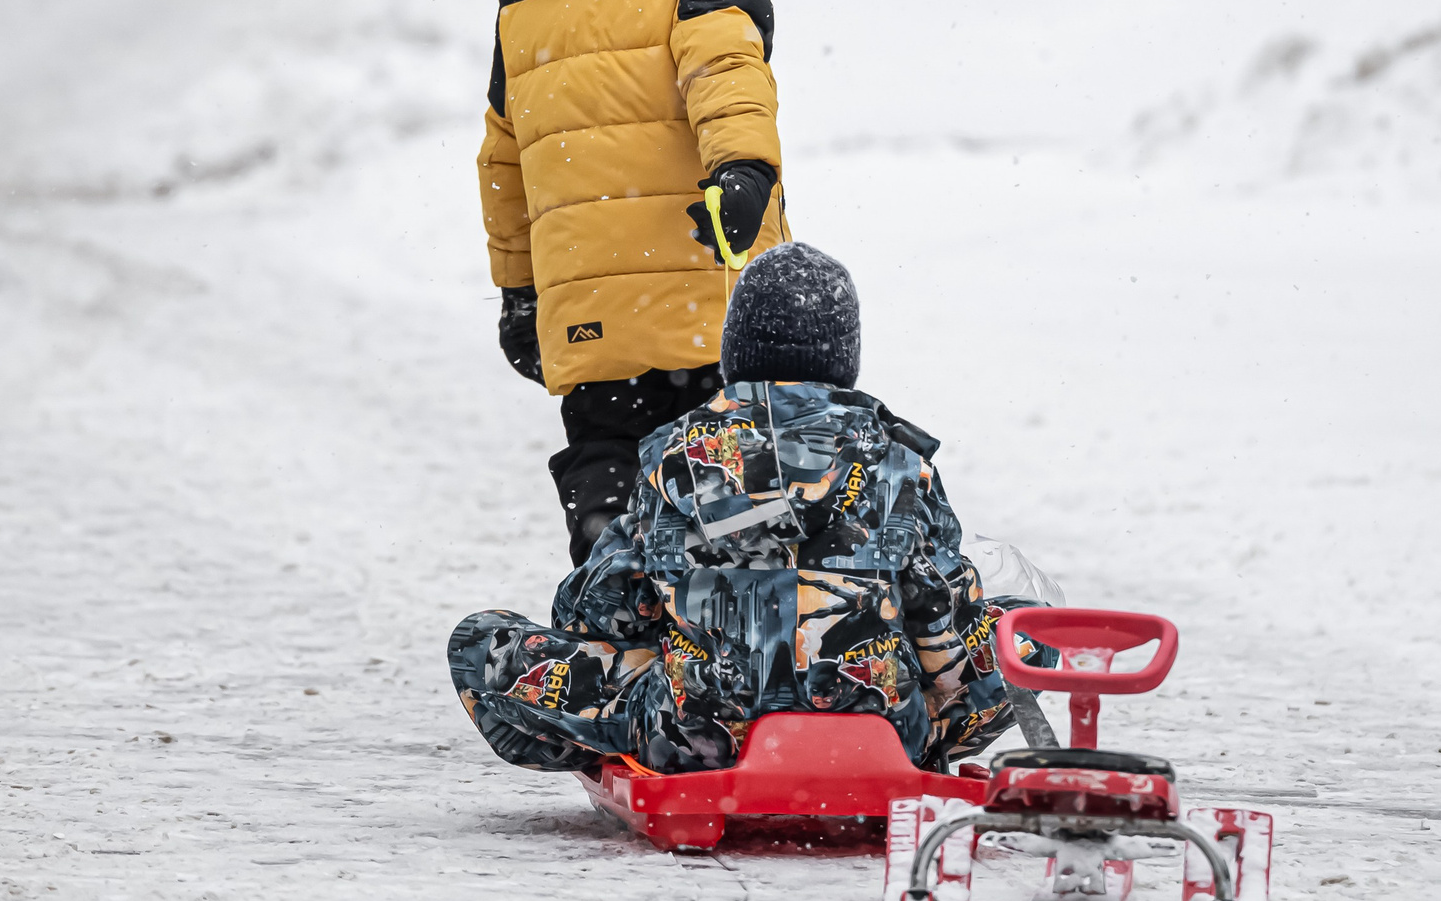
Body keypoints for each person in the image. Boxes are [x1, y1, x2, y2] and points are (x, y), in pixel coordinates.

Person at [450, 243, 1050, 778]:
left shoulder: (674, 455)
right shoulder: (898, 462)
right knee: (1031, 632)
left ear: (736, 349)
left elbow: (602, 612)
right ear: (845, 357)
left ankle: (609, 757)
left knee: (479, 643)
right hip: (881, 731)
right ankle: (877, 747)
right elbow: (940, 614)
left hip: (695, 735)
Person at [479, 0, 786, 564]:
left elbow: (503, 158)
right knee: (731, 497)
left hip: (587, 314)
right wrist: (743, 170)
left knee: (610, 476)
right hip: (700, 285)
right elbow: (724, 66)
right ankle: (733, 648)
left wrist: (519, 291)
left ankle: (615, 629)